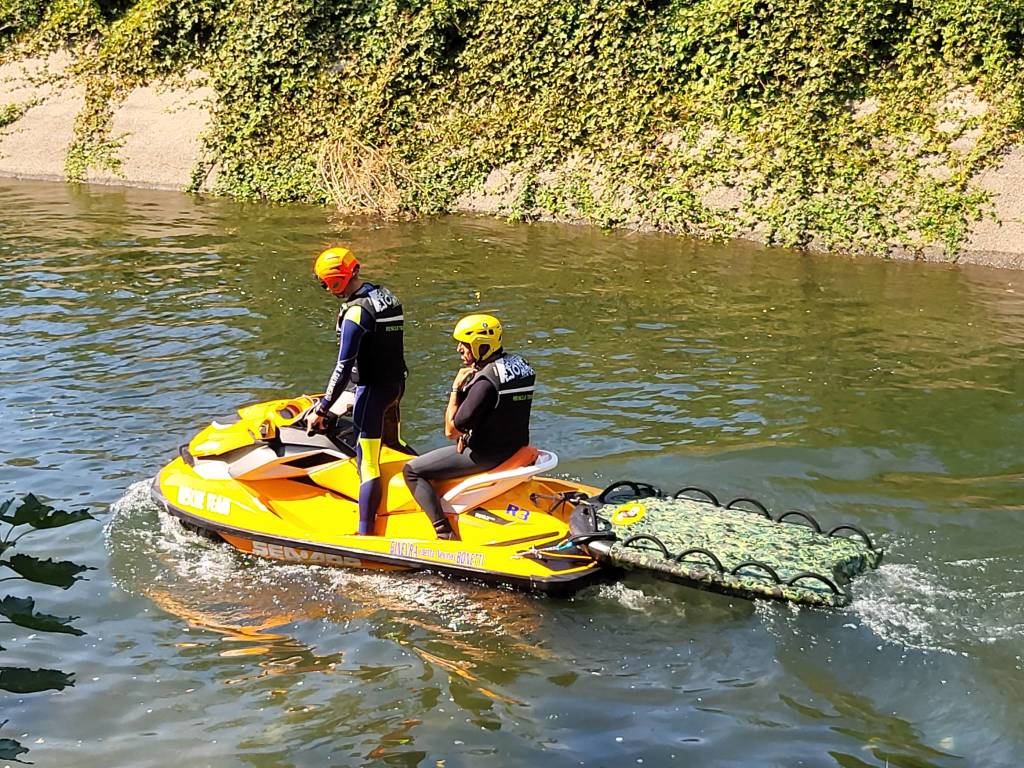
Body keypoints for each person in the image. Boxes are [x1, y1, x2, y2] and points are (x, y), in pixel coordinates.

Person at [403, 313, 536, 540]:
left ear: (480, 346)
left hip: (486, 455)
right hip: (515, 446)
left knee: (412, 471)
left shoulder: (485, 382)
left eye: (464, 344)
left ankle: (443, 531)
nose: (459, 349)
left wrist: (456, 389)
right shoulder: (522, 366)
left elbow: (451, 431)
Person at [308, 246, 410, 535]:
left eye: (325, 284)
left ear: (336, 280)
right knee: (394, 446)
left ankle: (366, 533)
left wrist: (323, 407)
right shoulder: (386, 297)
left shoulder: (355, 313)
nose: (327, 290)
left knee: (368, 462)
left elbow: (343, 368)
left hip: (372, 392)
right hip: (395, 386)